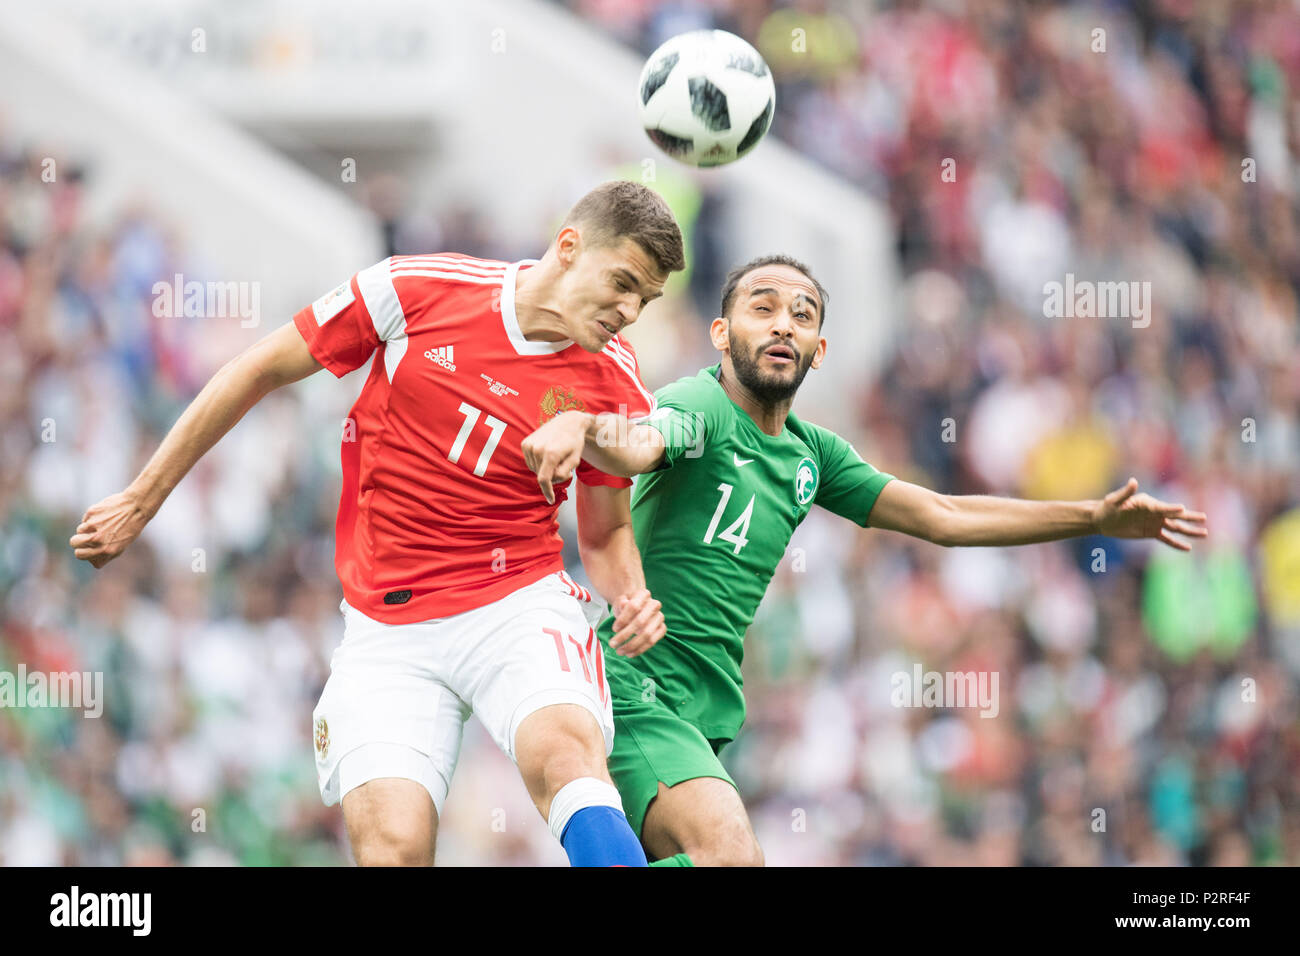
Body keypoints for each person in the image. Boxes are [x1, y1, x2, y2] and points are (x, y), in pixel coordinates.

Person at [70, 180, 686, 867]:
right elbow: (259, 369)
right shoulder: (417, 288)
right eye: (624, 282)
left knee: (566, 758)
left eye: (647, 299)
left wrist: (628, 592)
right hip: (387, 628)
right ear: (570, 247)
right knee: (392, 847)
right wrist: (143, 497)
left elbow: (604, 533)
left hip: (517, 601)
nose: (630, 310)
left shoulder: (614, 379)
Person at [520, 253, 1209, 866]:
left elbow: (943, 516)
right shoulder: (700, 404)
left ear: (819, 350)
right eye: (762, 308)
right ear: (721, 336)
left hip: (706, 707)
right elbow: (639, 441)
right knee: (729, 851)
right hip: (638, 687)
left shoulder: (812, 455)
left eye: (802, 313)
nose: (784, 323)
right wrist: (584, 427)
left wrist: (1092, 517)